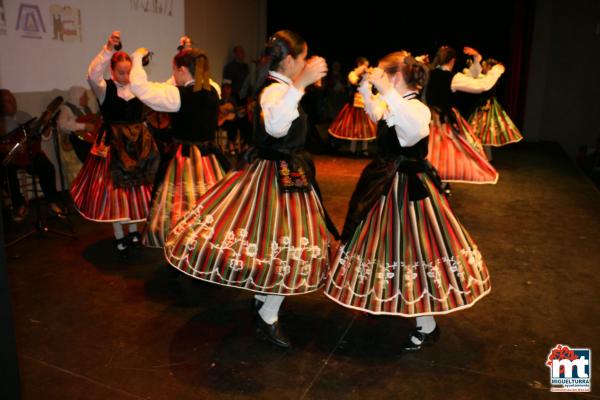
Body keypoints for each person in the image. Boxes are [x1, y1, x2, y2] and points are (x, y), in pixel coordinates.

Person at [163, 30, 339, 348]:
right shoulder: (276, 91)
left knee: (276, 242)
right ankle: (267, 314)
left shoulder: (282, 87)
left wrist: (300, 84)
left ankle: (263, 300)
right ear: (288, 60)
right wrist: (300, 84)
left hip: (283, 173)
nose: (306, 63)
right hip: (277, 176)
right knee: (287, 246)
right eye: (303, 58)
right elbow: (276, 127)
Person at [325, 51, 491, 352]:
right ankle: (394, 304)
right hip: (386, 184)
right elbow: (377, 114)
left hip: (408, 190)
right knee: (387, 247)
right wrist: (365, 86)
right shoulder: (396, 104)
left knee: (414, 251)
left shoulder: (417, 110)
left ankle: (426, 324)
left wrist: (384, 90)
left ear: (396, 78)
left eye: (387, 75)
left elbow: (413, 131)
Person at [130, 47, 230, 248]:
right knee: (210, 205)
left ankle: (184, 246)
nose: (173, 75)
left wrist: (137, 58)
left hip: (184, 159)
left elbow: (140, 89)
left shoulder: (177, 96)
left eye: (175, 70)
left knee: (182, 206)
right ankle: (206, 246)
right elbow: (197, 80)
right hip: (210, 158)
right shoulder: (214, 90)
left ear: (183, 70)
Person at [70, 31, 159, 257]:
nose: (125, 76)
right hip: (113, 146)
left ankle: (134, 232)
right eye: (121, 72)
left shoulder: (138, 88)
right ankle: (120, 236)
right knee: (115, 193)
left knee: (135, 190)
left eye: (129, 72)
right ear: (112, 70)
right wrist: (108, 48)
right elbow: (92, 73)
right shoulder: (104, 88)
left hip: (137, 144)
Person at [424, 46, 501, 184]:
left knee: (432, 150)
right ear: (453, 60)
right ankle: (440, 181)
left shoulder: (430, 72)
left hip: (427, 118)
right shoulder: (452, 77)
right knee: (447, 150)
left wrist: (477, 60)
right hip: (442, 119)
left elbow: (468, 78)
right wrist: (496, 71)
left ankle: (435, 181)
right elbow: (481, 85)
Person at [0, 89, 64, 221]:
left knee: (47, 167)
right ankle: (19, 205)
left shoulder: (24, 115)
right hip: (11, 158)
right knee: (5, 173)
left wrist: (45, 125)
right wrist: (9, 147)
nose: (14, 102)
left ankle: (52, 202)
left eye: (13, 98)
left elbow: (41, 135)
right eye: (9, 100)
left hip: (30, 154)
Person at [467, 56, 523, 149]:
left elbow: (480, 78)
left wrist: (471, 67)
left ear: (489, 67)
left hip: (487, 107)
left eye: (484, 66)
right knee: (482, 134)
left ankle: (484, 157)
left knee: (483, 133)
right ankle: (485, 157)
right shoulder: (487, 77)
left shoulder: (491, 78)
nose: (482, 68)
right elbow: (478, 77)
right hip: (483, 106)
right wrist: (471, 66)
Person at [328, 57, 377, 156]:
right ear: (359, 64)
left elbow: (372, 89)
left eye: (367, 66)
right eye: (364, 65)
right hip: (355, 104)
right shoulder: (353, 74)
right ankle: (352, 149)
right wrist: (361, 74)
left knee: (365, 126)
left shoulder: (369, 75)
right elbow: (355, 82)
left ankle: (365, 149)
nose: (366, 68)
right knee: (354, 126)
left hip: (366, 104)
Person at [57, 86, 97, 185]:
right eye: (85, 96)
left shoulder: (86, 109)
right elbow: (62, 125)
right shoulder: (65, 109)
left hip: (89, 138)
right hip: (77, 139)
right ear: (77, 97)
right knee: (92, 156)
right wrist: (84, 126)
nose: (88, 99)